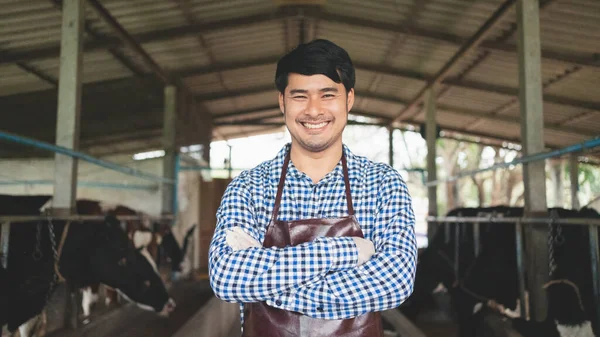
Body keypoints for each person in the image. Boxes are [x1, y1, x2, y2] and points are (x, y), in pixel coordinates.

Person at [209, 39, 417, 337]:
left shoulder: (383, 185)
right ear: (282, 101)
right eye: (300, 96)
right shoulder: (248, 187)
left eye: (327, 94)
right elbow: (227, 277)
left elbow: (394, 283)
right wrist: (344, 252)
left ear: (349, 99)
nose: (314, 110)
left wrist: (267, 285)